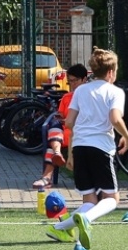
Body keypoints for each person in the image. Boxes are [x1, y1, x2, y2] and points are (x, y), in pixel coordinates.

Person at [45, 49, 128, 250]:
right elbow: (114, 118)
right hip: (101, 148)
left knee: (90, 199)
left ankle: (67, 235)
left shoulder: (81, 91)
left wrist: (71, 153)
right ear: (111, 72)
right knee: (112, 199)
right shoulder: (115, 92)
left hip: (80, 148)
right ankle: (85, 219)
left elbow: (70, 122)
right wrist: (126, 135)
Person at [33, 63, 88, 192]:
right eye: (70, 82)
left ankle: (47, 177)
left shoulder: (90, 97)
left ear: (84, 79)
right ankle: (56, 154)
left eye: (75, 81)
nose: (72, 84)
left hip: (80, 134)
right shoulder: (67, 97)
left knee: (51, 142)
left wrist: (67, 121)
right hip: (63, 134)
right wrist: (60, 118)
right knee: (53, 123)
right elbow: (61, 115)